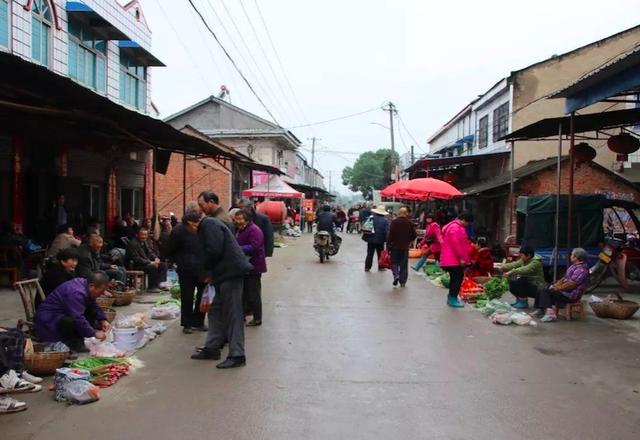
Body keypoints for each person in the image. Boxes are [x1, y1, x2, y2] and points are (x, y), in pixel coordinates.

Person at [184, 212, 253, 369]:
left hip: (231, 273)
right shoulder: (210, 225)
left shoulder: (208, 225)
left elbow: (214, 251)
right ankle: (212, 348)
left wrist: (206, 271)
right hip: (222, 275)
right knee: (215, 310)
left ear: (192, 224)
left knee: (233, 313)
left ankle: (237, 354)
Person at [34, 273, 111, 351]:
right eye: (101, 291)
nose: (101, 294)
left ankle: (79, 340)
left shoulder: (85, 285)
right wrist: (94, 333)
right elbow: (78, 317)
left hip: (62, 313)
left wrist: (102, 319)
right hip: (48, 319)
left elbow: (93, 305)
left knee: (90, 311)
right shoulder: (77, 293)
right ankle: (72, 345)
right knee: (70, 321)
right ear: (92, 286)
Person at [168, 203, 206, 334]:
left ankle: (198, 321)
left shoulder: (203, 228)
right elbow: (171, 249)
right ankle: (187, 323)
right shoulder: (178, 230)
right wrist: (176, 262)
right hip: (186, 268)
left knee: (202, 296)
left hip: (201, 267)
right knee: (187, 296)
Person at [529, 248, 590, 322]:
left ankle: (550, 314)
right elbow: (563, 279)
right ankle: (540, 309)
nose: (570, 256)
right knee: (542, 286)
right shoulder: (573, 266)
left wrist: (557, 288)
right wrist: (555, 286)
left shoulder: (581, 270)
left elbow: (571, 285)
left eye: (572, 255)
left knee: (545, 291)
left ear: (576, 257)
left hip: (570, 295)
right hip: (564, 291)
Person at [234, 210, 266, 327]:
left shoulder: (254, 230)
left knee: (254, 294)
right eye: (236, 218)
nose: (237, 221)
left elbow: (254, 246)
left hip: (253, 266)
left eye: (240, 219)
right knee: (243, 293)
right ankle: (241, 316)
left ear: (247, 219)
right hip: (244, 266)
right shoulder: (241, 229)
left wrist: (237, 248)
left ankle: (257, 318)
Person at [440, 212, 474, 308]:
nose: (467, 225)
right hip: (453, 259)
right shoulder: (455, 228)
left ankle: (451, 298)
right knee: (457, 278)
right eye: (467, 223)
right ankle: (453, 299)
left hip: (451, 259)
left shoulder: (453, 226)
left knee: (455, 278)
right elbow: (457, 245)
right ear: (463, 220)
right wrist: (461, 258)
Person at [387, 207, 417, 287]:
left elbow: (390, 235)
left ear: (399, 213)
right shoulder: (409, 223)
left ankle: (396, 275)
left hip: (395, 247)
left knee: (394, 262)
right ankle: (402, 281)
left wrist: (388, 246)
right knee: (403, 264)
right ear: (406, 213)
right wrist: (409, 241)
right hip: (405, 247)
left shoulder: (394, 222)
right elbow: (414, 235)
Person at [363, 205, 390, 272]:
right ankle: (381, 267)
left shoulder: (371, 217)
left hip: (371, 239)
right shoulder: (385, 220)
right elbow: (386, 231)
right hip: (380, 240)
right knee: (380, 254)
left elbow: (366, 227)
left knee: (370, 254)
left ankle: (367, 267)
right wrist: (387, 240)